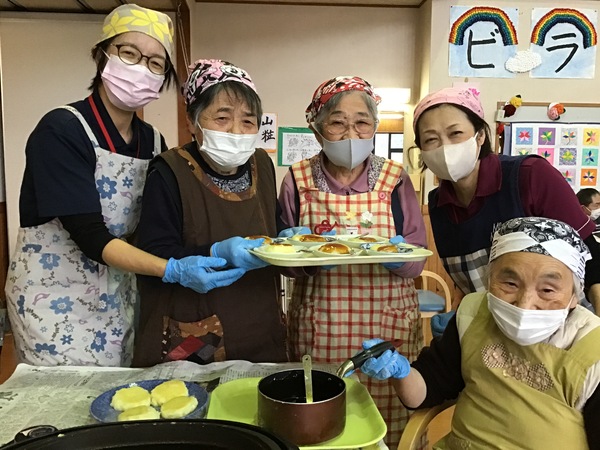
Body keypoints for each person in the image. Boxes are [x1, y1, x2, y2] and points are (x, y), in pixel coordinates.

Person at [5, 5, 244, 367]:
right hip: (55, 300)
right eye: (129, 53)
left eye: (155, 63)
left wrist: (218, 249)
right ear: (101, 55)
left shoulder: (153, 140)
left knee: (116, 398)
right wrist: (173, 270)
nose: (140, 69)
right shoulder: (62, 129)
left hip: (121, 295)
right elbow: (90, 236)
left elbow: (158, 225)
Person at [356, 217, 600, 449]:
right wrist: (401, 371)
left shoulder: (592, 350)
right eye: (510, 284)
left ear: (574, 297)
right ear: (489, 279)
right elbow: (428, 389)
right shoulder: (473, 314)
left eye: (547, 290)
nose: (525, 304)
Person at [278, 76, 427, 447]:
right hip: (321, 322)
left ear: (375, 127)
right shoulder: (297, 179)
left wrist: (395, 257)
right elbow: (281, 260)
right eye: (337, 122)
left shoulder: (395, 179)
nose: (351, 132)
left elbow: (416, 259)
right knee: (322, 419)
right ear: (317, 129)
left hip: (387, 324)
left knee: (389, 418)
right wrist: (308, 259)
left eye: (362, 122)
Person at [132, 59, 288, 367]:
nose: (236, 131)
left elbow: (273, 227)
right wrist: (214, 252)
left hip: (260, 324)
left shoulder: (263, 165)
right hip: (195, 333)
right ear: (192, 121)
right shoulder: (169, 172)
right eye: (222, 118)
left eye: (248, 121)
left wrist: (291, 240)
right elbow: (153, 252)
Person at [413, 86, 600, 315]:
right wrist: (461, 319)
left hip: (561, 326)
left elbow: (591, 257)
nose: (444, 148)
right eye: (431, 139)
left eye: (455, 134)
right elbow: (466, 281)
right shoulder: (439, 204)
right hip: (497, 333)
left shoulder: (530, 176)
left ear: (480, 135)